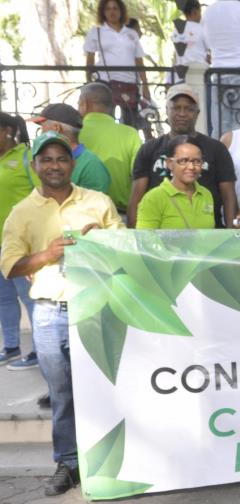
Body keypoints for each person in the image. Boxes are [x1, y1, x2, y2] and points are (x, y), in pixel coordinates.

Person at [1, 132, 123, 496]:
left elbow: (125, 249)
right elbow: (10, 266)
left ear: (72, 164)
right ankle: (69, 463)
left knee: (105, 387)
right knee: (62, 393)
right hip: (49, 314)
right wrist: (47, 254)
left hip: (96, 307)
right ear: (35, 165)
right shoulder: (22, 212)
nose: (54, 165)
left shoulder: (98, 202)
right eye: (47, 159)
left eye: (62, 159)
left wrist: (103, 239)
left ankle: (112, 462)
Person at [128, 84, 237, 229]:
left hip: (209, 231)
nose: (182, 113)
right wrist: (134, 236)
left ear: (197, 113)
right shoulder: (149, 149)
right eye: (176, 108)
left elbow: (228, 196)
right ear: (167, 110)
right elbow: (136, 197)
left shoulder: (217, 149)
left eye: (189, 109)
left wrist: (231, 233)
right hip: (161, 230)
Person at [0, 113, 37, 370]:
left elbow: (42, 195)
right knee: (3, 297)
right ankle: (11, 346)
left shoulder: (26, 158)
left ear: (7, 131)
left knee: (30, 297)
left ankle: (39, 349)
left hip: (21, 243)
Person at [83, 0, 152, 129]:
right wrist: (89, 82)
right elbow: (90, 59)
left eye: (115, 8)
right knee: (105, 123)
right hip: (106, 83)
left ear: (121, 11)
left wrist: (145, 85)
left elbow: (139, 60)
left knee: (130, 125)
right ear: (103, 12)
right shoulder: (96, 32)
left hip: (130, 83)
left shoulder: (131, 34)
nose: (112, 12)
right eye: (108, 9)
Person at [202, 0, 240, 138]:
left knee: (220, 128)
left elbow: (206, 44)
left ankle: (221, 152)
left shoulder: (209, 12)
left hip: (219, 76)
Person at [78, 82, 142, 213]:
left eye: (78, 104)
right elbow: (139, 176)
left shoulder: (74, 132)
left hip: (81, 213)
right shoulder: (130, 134)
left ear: (84, 104)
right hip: (119, 213)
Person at [136, 136, 215, 229]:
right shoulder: (153, 198)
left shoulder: (206, 194)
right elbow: (145, 237)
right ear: (170, 163)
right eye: (183, 161)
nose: (191, 167)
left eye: (197, 161)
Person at [30, 104, 111, 195]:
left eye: (42, 128)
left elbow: (95, 202)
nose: (41, 134)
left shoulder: (91, 166)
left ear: (56, 128)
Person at [172, 0, 208, 82]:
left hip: (181, 77)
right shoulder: (202, 29)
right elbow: (209, 49)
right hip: (198, 76)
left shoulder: (176, 30)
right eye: (200, 12)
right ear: (194, 12)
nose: (200, 16)